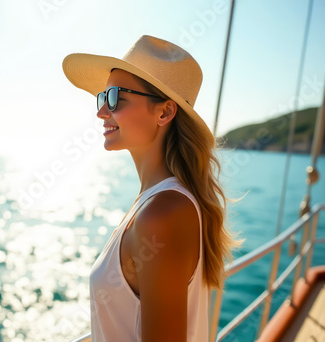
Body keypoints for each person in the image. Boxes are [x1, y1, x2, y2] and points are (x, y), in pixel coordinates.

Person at [62, 35, 244, 341]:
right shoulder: (156, 203)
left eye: (115, 98)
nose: (101, 111)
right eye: (102, 97)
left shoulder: (162, 214)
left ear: (164, 112)